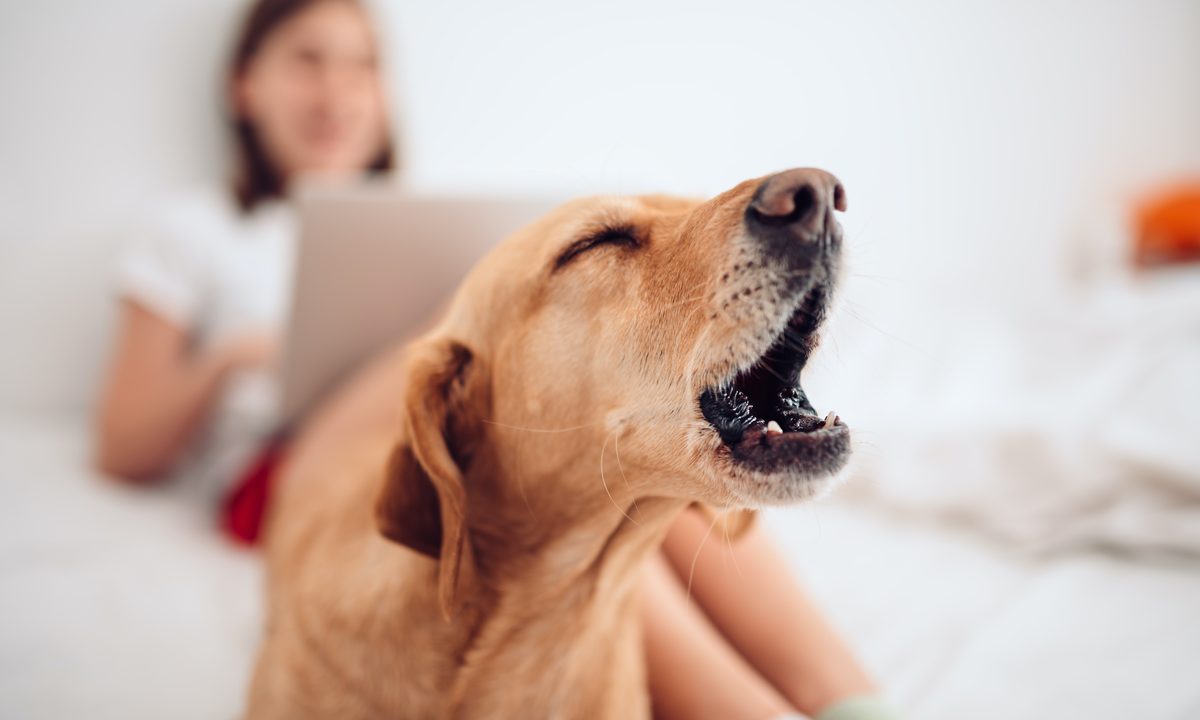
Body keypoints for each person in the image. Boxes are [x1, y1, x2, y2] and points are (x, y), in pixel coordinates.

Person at [92, 1, 893, 717]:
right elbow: (123, 442)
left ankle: (851, 702)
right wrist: (238, 356)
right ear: (243, 87)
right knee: (561, 503)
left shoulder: (428, 216)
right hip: (290, 457)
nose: (336, 90)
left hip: (484, 419)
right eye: (308, 60)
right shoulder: (196, 228)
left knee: (626, 478)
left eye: (361, 65)